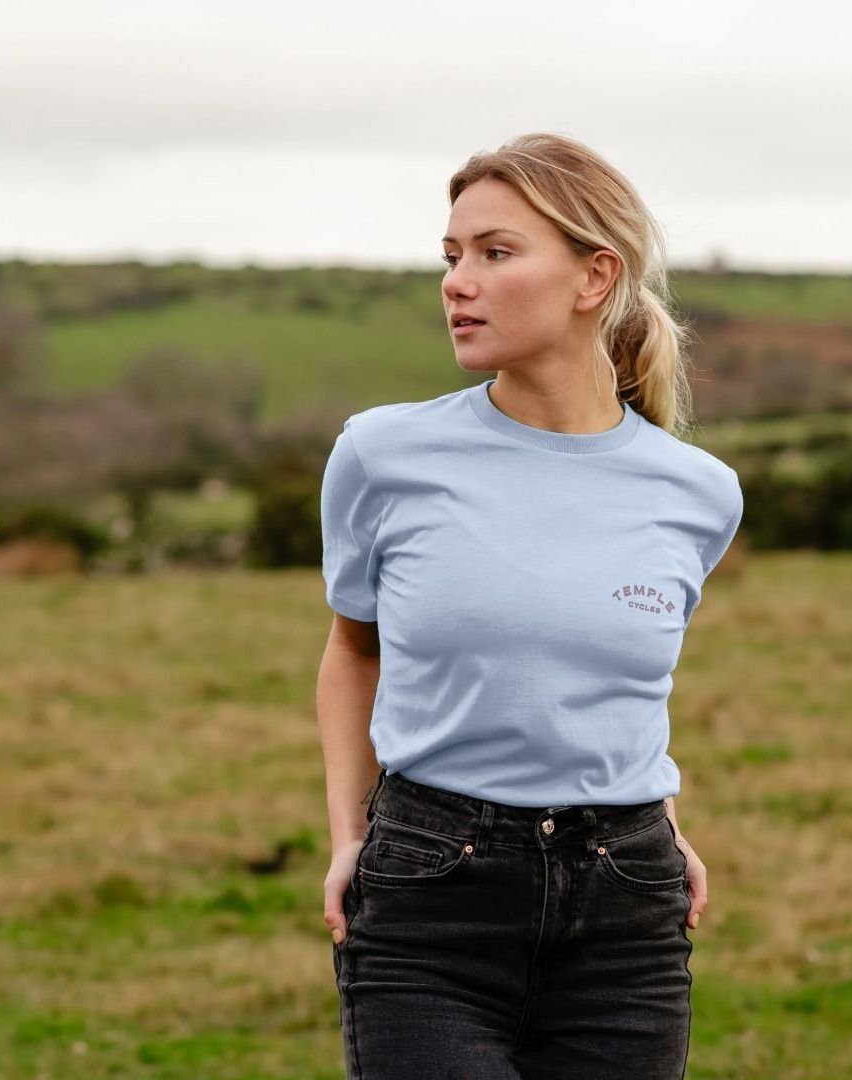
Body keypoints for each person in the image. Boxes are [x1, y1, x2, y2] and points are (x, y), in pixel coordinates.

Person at [316, 132, 744, 1080]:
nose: (457, 282)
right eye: (452, 256)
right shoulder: (382, 456)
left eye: (495, 253)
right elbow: (353, 652)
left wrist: (658, 829)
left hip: (626, 913)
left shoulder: (699, 492)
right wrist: (351, 837)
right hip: (432, 899)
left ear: (596, 277)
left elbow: (609, 685)